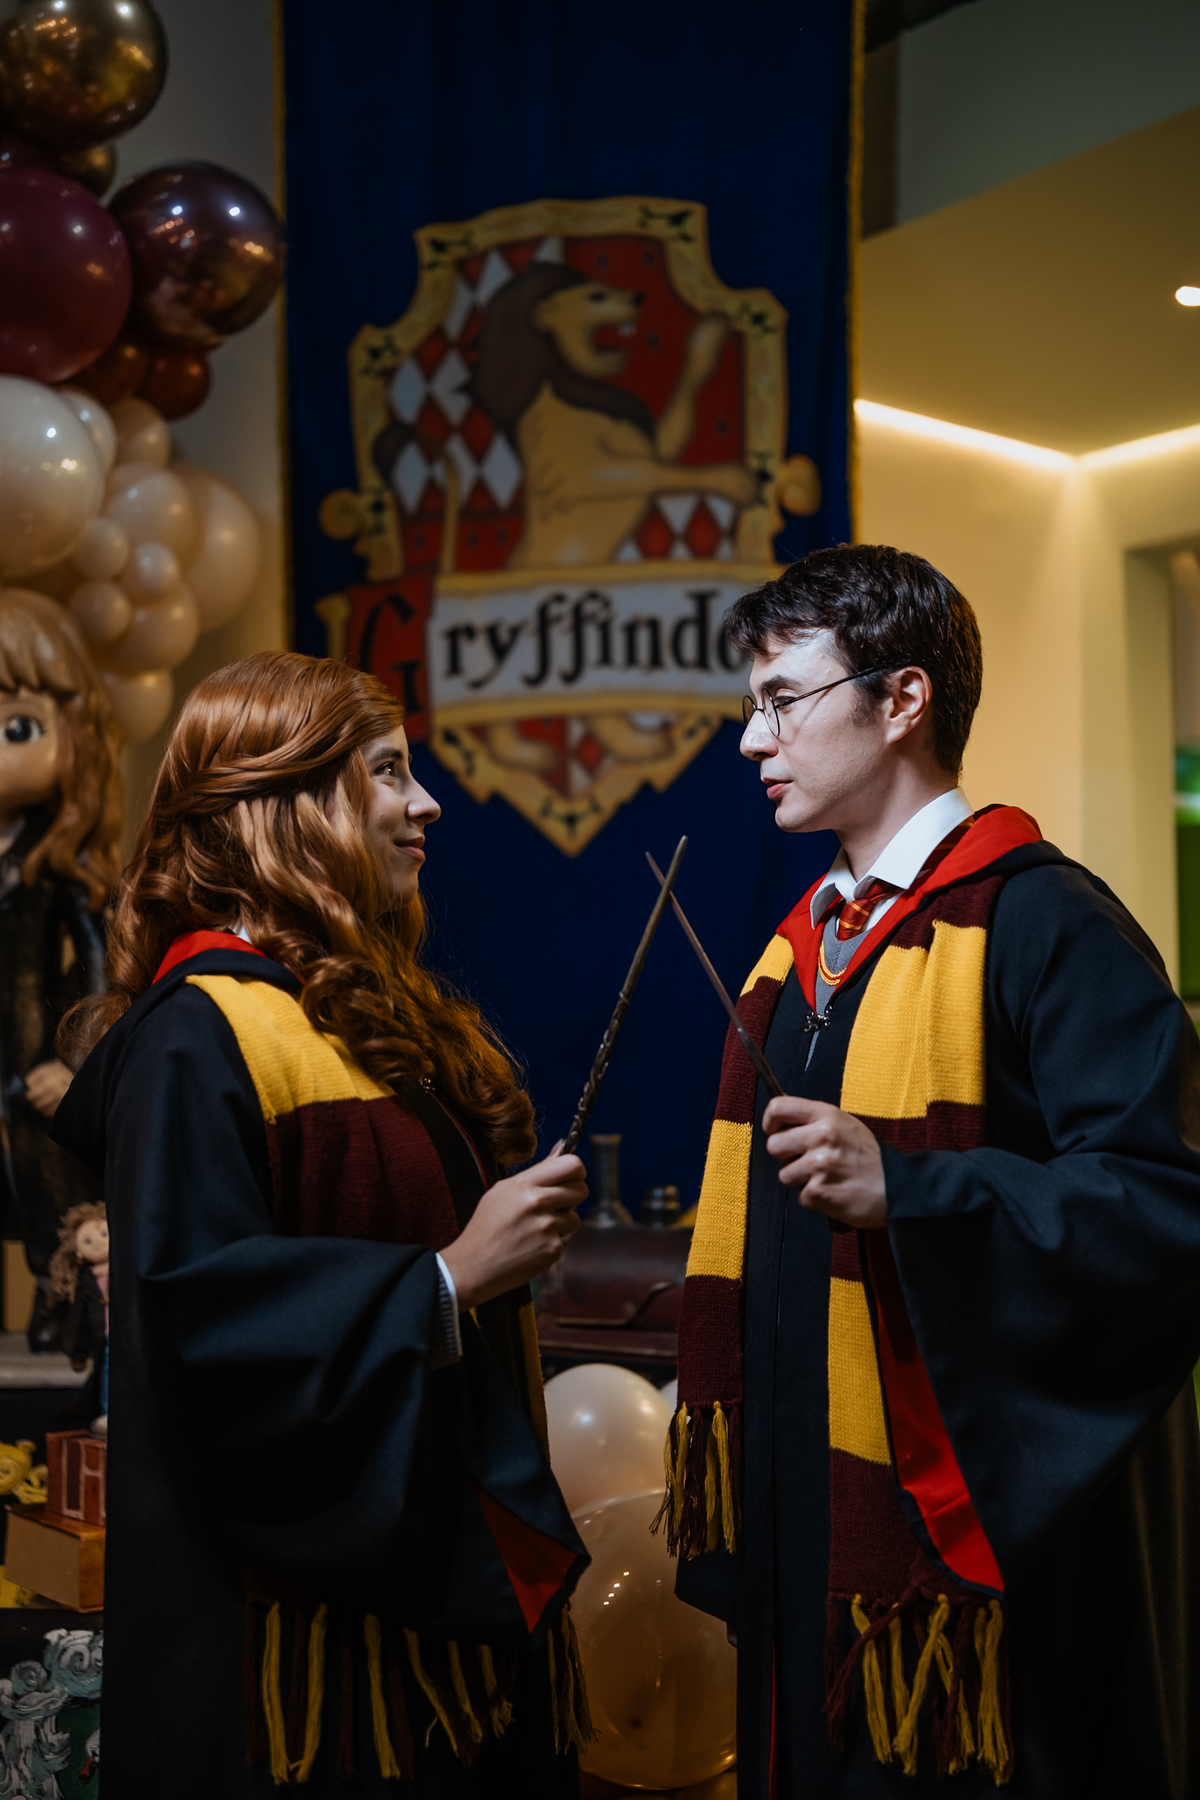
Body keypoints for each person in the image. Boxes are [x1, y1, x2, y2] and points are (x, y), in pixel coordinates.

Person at [663, 545, 1200, 1798]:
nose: (753, 740)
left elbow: (1162, 1210)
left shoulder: (1047, 920)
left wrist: (912, 1188)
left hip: (974, 1544)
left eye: (783, 700)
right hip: (812, 1520)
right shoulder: (799, 957)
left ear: (902, 701)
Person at [53, 651, 592, 1798]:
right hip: (298, 1681)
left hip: (424, 1644)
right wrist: (448, 1281)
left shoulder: (346, 1019)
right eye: (390, 772)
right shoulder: (199, 1037)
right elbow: (202, 1336)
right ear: (282, 809)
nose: (427, 802)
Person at [0, 590, 117, 1353]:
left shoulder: (57, 866)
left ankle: (55, 1296)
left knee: (45, 1184)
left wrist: (76, 1061)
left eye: (18, 727)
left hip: (32, 1051)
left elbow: (101, 966)